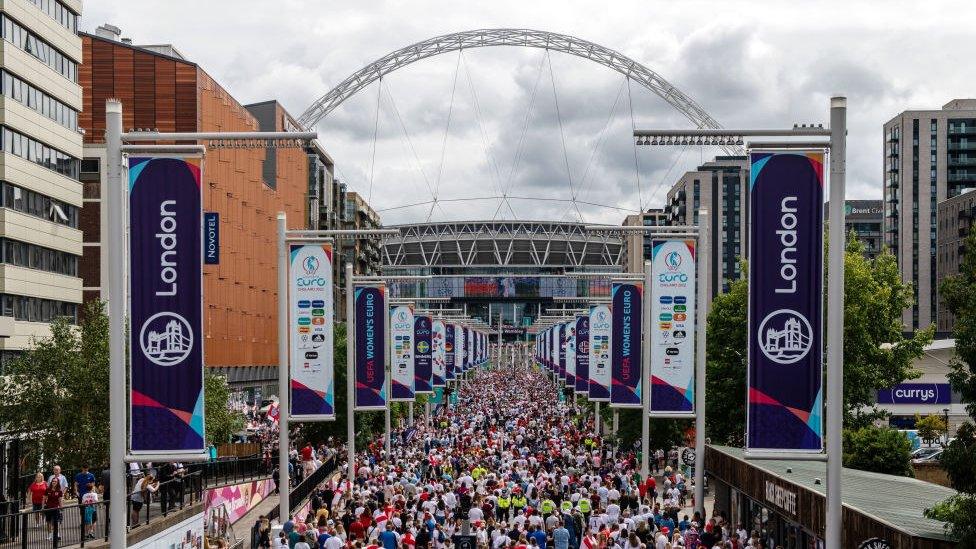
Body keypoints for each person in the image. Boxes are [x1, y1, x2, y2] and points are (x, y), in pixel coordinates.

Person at [43, 476, 63, 541]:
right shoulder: (47, 489)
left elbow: (60, 500)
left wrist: (61, 508)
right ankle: (50, 535)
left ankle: (57, 535)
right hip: (48, 508)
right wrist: (43, 506)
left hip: (55, 508)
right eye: (53, 481)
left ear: (58, 483)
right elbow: (44, 498)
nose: (54, 482)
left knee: (55, 522)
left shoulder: (59, 491)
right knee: (48, 522)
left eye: (55, 481)